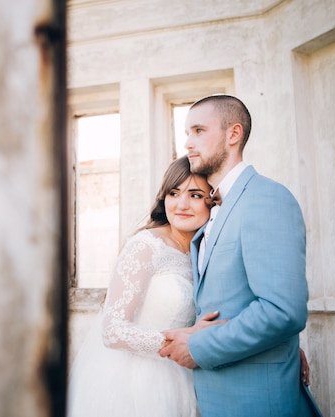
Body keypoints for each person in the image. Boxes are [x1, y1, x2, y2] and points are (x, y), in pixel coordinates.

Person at [159, 95, 323, 417]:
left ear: (233, 134)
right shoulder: (213, 211)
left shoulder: (266, 198)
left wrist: (198, 347)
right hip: (215, 398)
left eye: (198, 131)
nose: (188, 143)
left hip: (258, 401)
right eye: (187, 134)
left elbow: (282, 311)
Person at [67, 156, 223, 417]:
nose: (182, 204)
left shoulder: (203, 252)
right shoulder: (146, 246)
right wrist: (181, 340)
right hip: (134, 384)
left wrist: (280, 347)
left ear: (212, 201)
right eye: (174, 193)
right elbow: (112, 331)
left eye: (195, 195)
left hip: (184, 379)